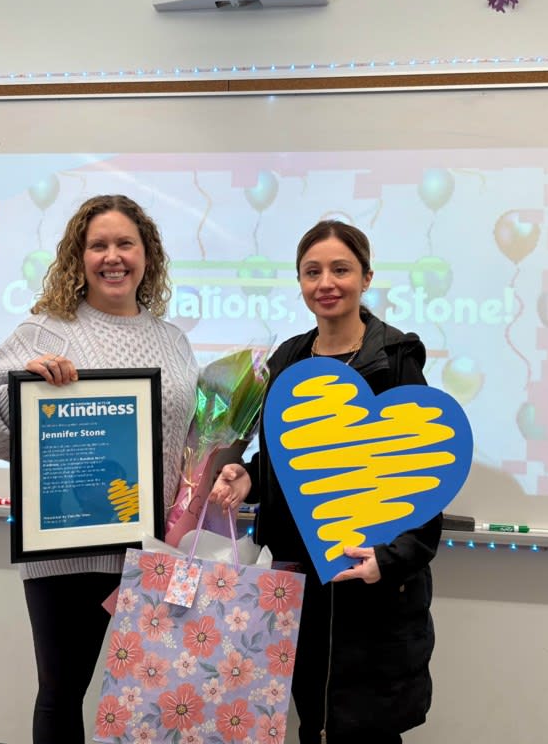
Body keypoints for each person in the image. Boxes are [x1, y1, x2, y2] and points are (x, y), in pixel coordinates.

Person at [0, 194, 199, 744]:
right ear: (79, 256)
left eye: (125, 244)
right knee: (62, 694)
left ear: (147, 255)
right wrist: (22, 397)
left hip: (157, 552)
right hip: (66, 551)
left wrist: (224, 474)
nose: (112, 257)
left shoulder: (174, 341)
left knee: (160, 700)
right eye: (98, 245)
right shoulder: (43, 334)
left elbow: (191, 442)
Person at [210, 219, 441, 744]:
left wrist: (392, 558)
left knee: (367, 731)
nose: (326, 283)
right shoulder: (285, 360)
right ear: (300, 282)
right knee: (308, 721)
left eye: (341, 269)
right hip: (295, 580)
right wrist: (249, 479)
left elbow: (427, 477)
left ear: (366, 277)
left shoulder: (396, 362)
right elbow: (283, 464)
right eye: (312, 272)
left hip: (369, 587)